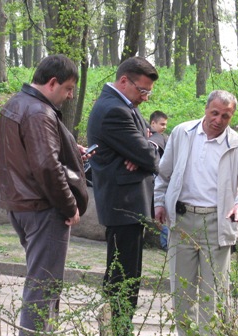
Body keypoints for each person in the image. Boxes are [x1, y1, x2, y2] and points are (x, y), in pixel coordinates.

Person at [154, 90, 238, 335]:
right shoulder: (182, 133)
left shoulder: (237, 145)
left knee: (212, 293)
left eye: (226, 116)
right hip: (182, 220)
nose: (218, 120)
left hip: (217, 221)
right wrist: (159, 202)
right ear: (206, 109)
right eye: (215, 113)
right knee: (181, 291)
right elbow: (165, 172)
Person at [0, 54, 90, 335]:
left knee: (41, 284)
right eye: (69, 88)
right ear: (52, 82)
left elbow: (28, 157)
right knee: (43, 287)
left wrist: (72, 149)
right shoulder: (39, 112)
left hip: (21, 206)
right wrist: (69, 205)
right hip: (43, 208)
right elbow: (47, 167)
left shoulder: (15, 104)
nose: (71, 95)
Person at [86, 56, 160, 334]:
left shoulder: (123, 106)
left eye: (149, 92)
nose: (145, 98)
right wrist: (144, 152)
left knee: (127, 275)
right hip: (123, 206)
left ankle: (118, 326)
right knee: (123, 277)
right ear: (124, 81)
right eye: (142, 90)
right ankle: (117, 328)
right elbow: (150, 156)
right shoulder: (113, 110)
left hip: (127, 206)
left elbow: (150, 143)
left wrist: (145, 148)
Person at [149, 110, 170, 251]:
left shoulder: (163, 138)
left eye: (165, 124)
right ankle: (166, 242)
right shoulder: (154, 139)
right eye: (161, 124)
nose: (164, 127)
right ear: (153, 123)